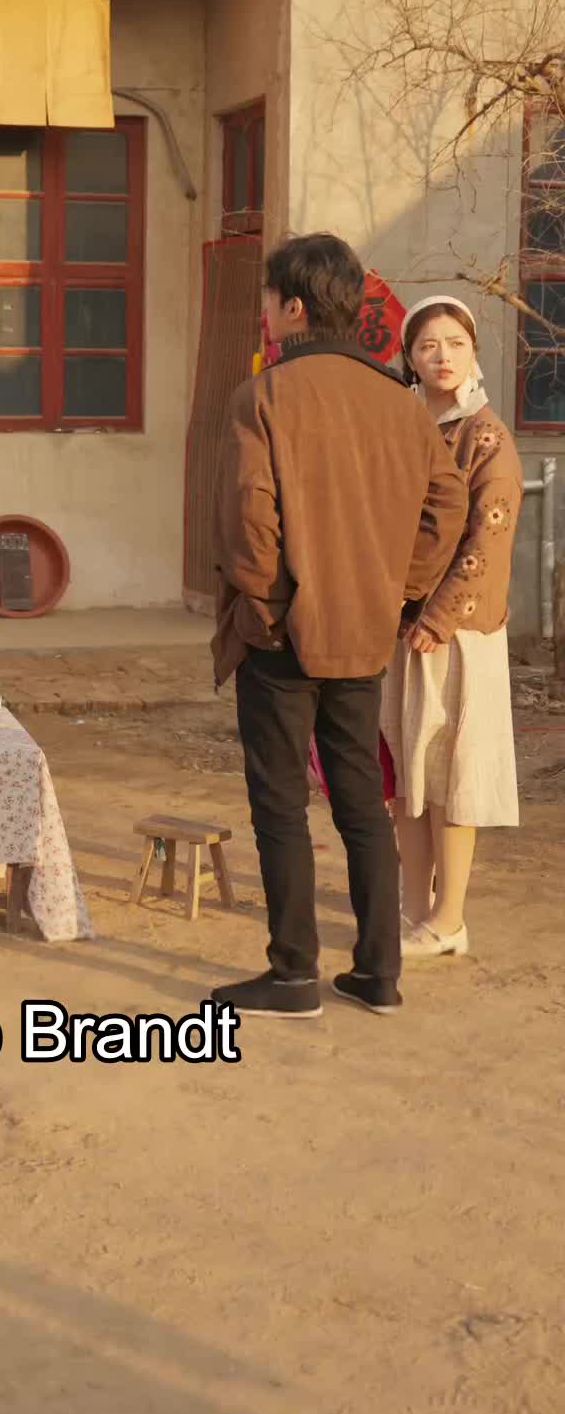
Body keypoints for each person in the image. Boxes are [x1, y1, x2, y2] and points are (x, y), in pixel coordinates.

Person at [208, 234, 468, 1021]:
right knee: (360, 799)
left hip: (282, 635)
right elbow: (447, 504)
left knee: (281, 803)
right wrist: (399, 589)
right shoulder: (401, 402)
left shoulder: (264, 396)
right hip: (363, 631)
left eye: (269, 300)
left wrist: (265, 609)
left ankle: (293, 974)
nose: (265, 313)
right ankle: (378, 973)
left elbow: (248, 520)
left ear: (293, 306)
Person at [381, 297, 523, 959]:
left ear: (474, 353)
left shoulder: (487, 438)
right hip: (402, 628)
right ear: (410, 358)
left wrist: (438, 616)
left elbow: (488, 538)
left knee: (451, 777)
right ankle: (413, 909)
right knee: (408, 778)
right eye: (428, 345)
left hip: (458, 636)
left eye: (455, 343)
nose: (442, 356)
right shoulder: (403, 427)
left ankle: (450, 919)